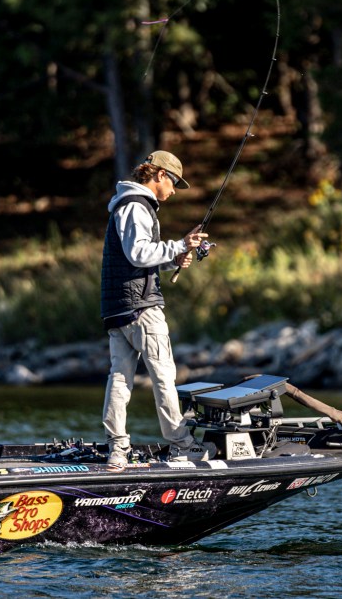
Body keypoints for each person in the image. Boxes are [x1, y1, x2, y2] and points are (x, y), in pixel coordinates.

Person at [100, 150, 217, 467]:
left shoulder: (126, 204)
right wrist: (180, 245)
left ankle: (117, 448)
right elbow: (138, 253)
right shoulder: (136, 206)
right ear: (160, 175)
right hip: (141, 308)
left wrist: (173, 259)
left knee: (120, 378)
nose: (174, 191)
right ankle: (181, 445)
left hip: (118, 308)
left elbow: (137, 259)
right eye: (174, 182)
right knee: (164, 375)